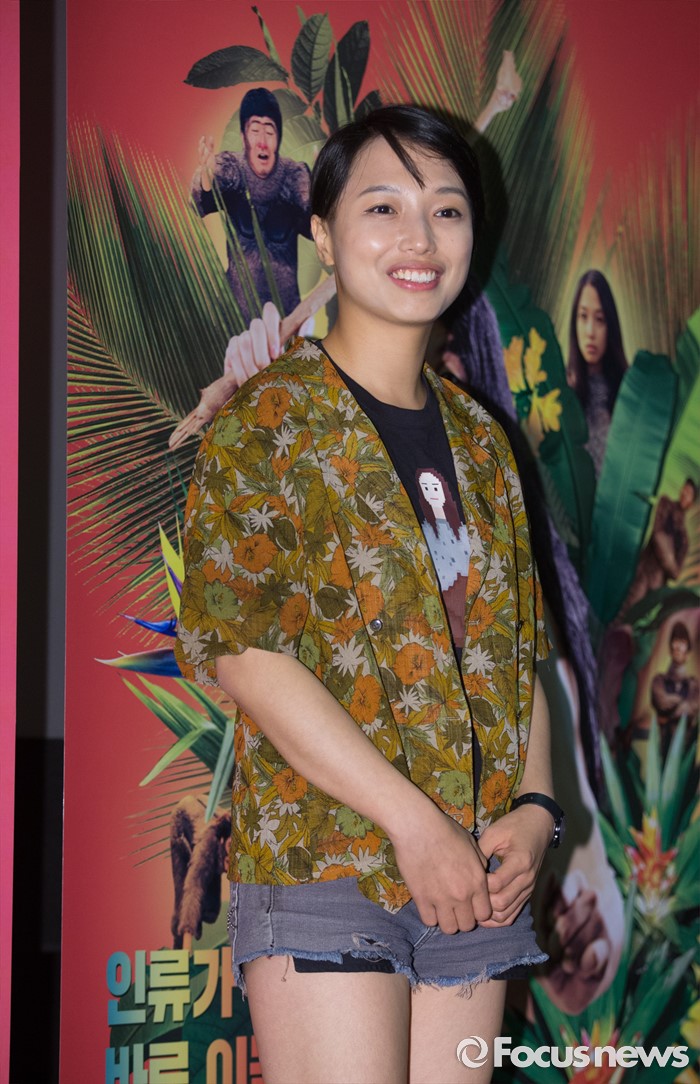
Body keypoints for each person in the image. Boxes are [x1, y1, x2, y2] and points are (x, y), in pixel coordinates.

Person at [176, 105, 559, 1084]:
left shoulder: (484, 442)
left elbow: (518, 657)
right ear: (322, 232)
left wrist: (534, 807)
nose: (419, 238)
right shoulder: (267, 419)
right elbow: (244, 653)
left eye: (446, 210)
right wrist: (414, 825)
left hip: (475, 878)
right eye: (383, 207)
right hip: (327, 860)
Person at [193, 86, 312, 328]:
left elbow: (317, 227)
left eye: (269, 131)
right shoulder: (231, 168)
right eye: (255, 130)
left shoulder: (295, 175)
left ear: (278, 138)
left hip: (288, 323)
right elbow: (201, 202)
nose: (262, 142)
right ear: (243, 137)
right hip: (236, 324)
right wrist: (206, 175)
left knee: (305, 348)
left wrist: (325, 195)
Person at [567, 269, 628, 477]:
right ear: (574, 322)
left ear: (610, 326)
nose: (590, 331)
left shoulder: (627, 394)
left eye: (600, 319)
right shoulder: (560, 392)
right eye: (583, 317)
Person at [618, 477, 697, 621]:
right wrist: (670, 559)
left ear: (692, 502)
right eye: (685, 490)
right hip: (643, 574)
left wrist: (667, 553)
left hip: (657, 587)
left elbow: (676, 573)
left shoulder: (684, 539)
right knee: (626, 613)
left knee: (637, 622)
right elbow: (658, 536)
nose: (685, 494)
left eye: (689, 493)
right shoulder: (666, 504)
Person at [650, 621, 699, 755]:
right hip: (663, 746)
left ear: (688, 648)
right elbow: (661, 702)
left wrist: (667, 716)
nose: (677, 647)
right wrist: (681, 702)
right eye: (675, 641)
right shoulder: (659, 681)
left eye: (682, 642)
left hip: (686, 746)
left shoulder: (693, 684)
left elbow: (692, 708)